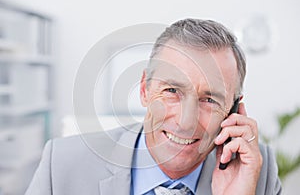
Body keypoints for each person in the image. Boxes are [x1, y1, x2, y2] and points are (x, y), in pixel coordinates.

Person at [25, 18, 282, 195]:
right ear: (145, 89)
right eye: (172, 91)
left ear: (233, 111)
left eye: (210, 100)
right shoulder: (61, 164)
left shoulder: (257, 172)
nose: (185, 122)